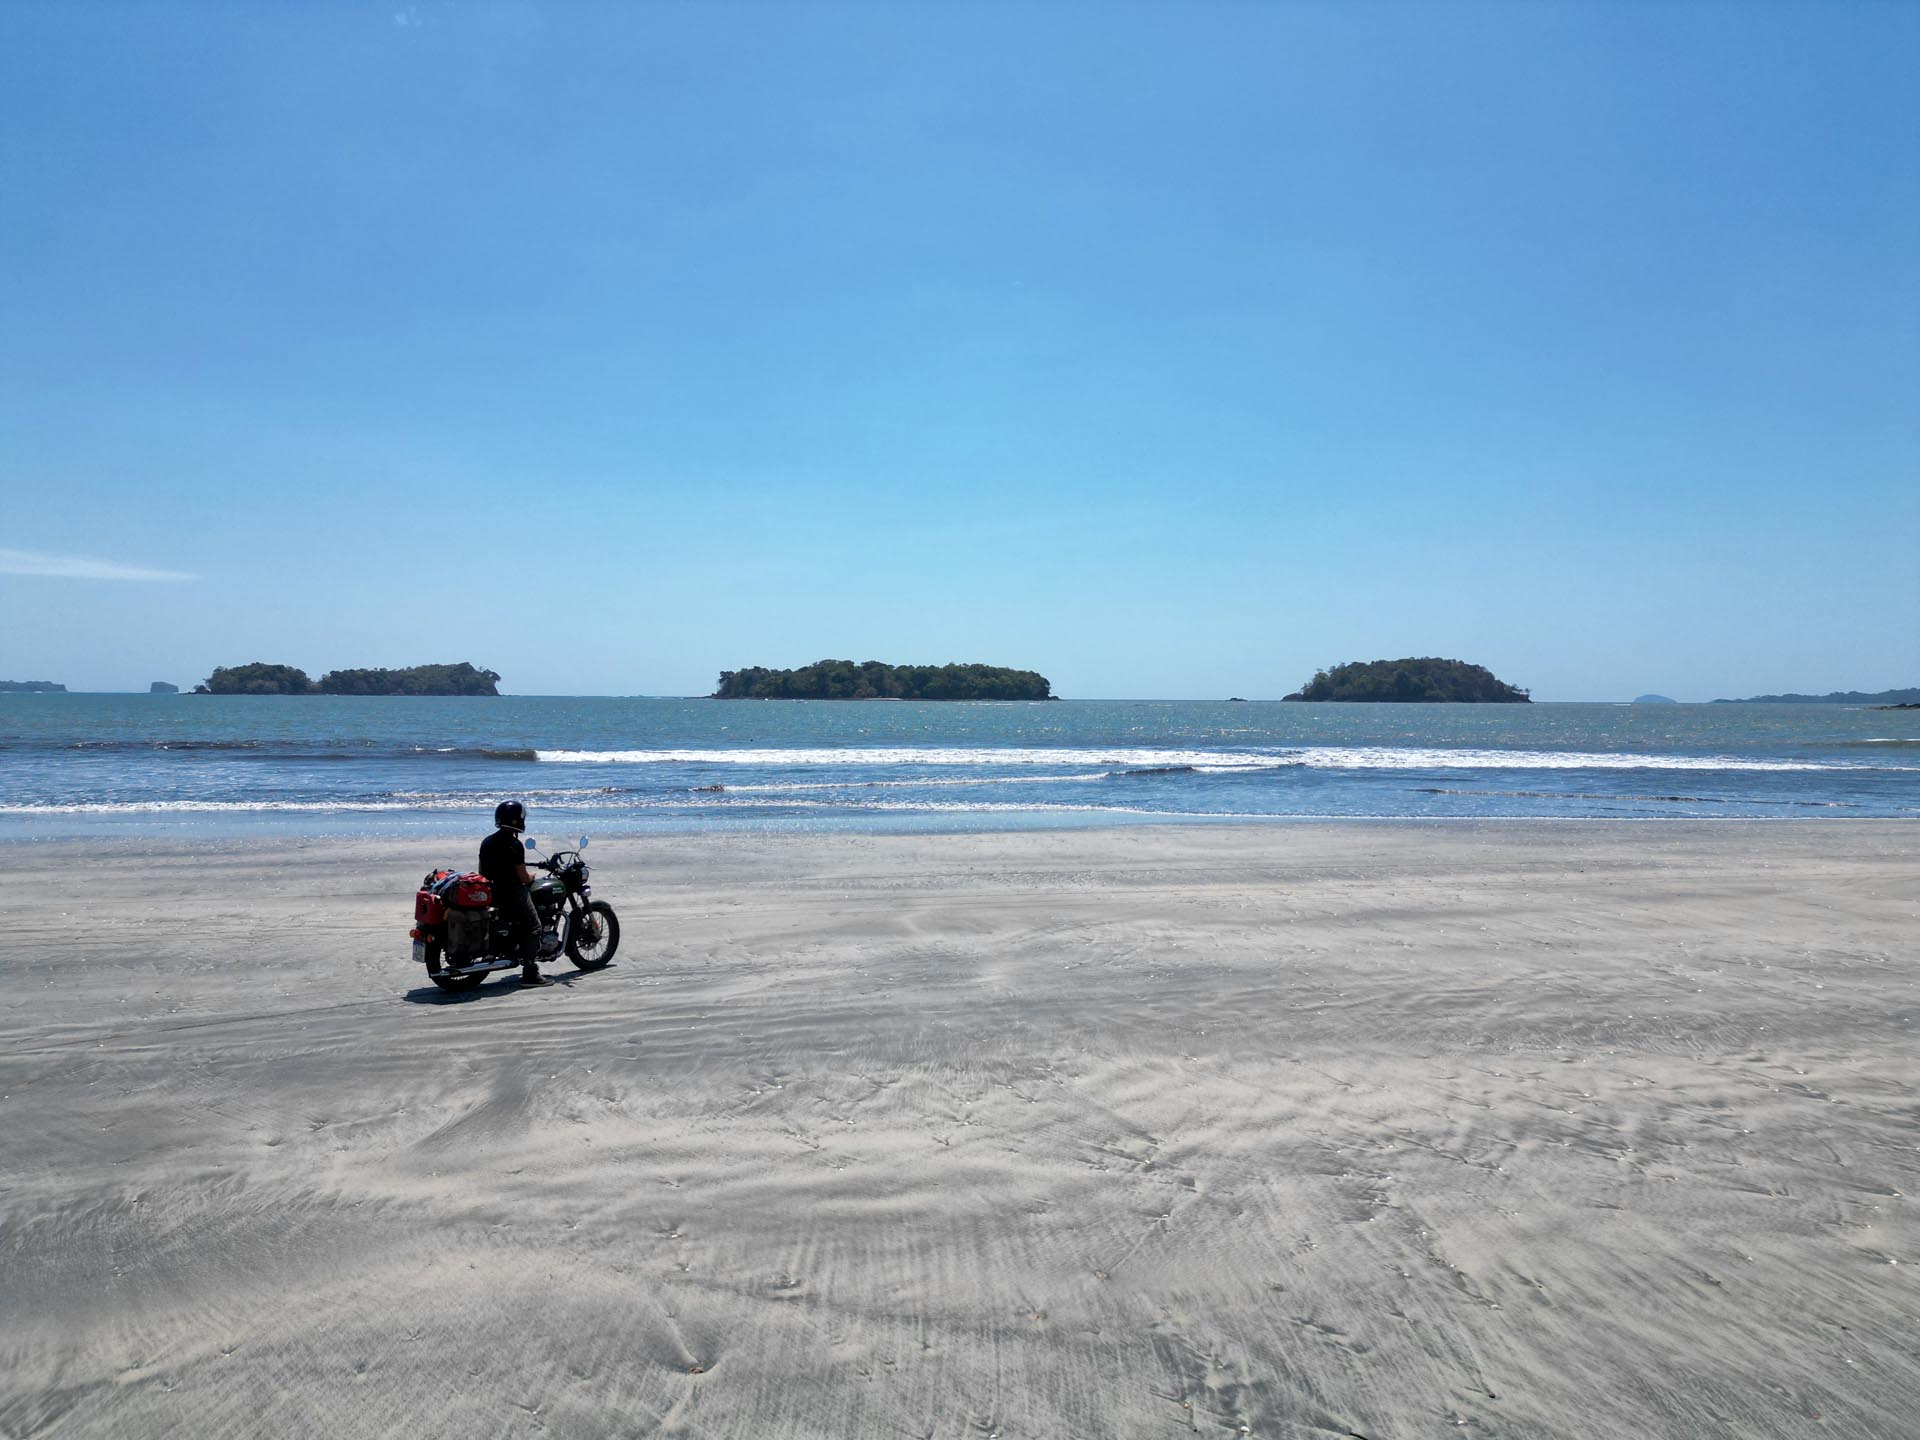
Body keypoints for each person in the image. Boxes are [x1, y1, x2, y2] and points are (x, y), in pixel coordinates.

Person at [480, 799, 549, 986]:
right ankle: (530, 972)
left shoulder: (487, 841)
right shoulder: (514, 844)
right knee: (535, 926)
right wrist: (532, 877)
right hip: (511, 891)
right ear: (517, 820)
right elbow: (523, 877)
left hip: (491, 891)